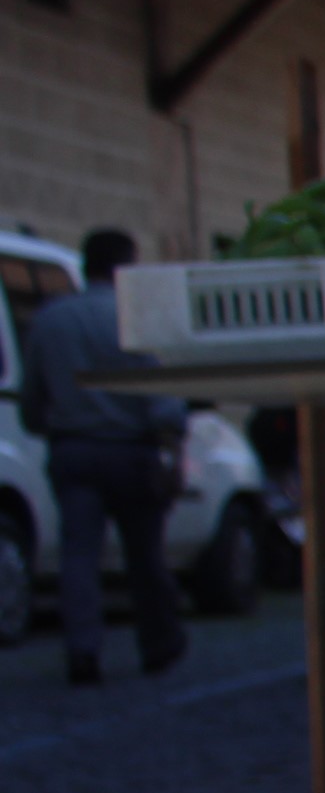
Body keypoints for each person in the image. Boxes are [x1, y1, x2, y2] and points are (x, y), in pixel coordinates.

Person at [21, 229, 187, 687]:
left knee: (78, 556)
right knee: (145, 556)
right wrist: (172, 448)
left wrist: (47, 424)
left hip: (74, 447)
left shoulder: (51, 320)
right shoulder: (136, 319)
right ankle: (157, 643)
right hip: (132, 449)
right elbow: (163, 397)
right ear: (125, 267)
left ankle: (83, 649)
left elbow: (33, 397)